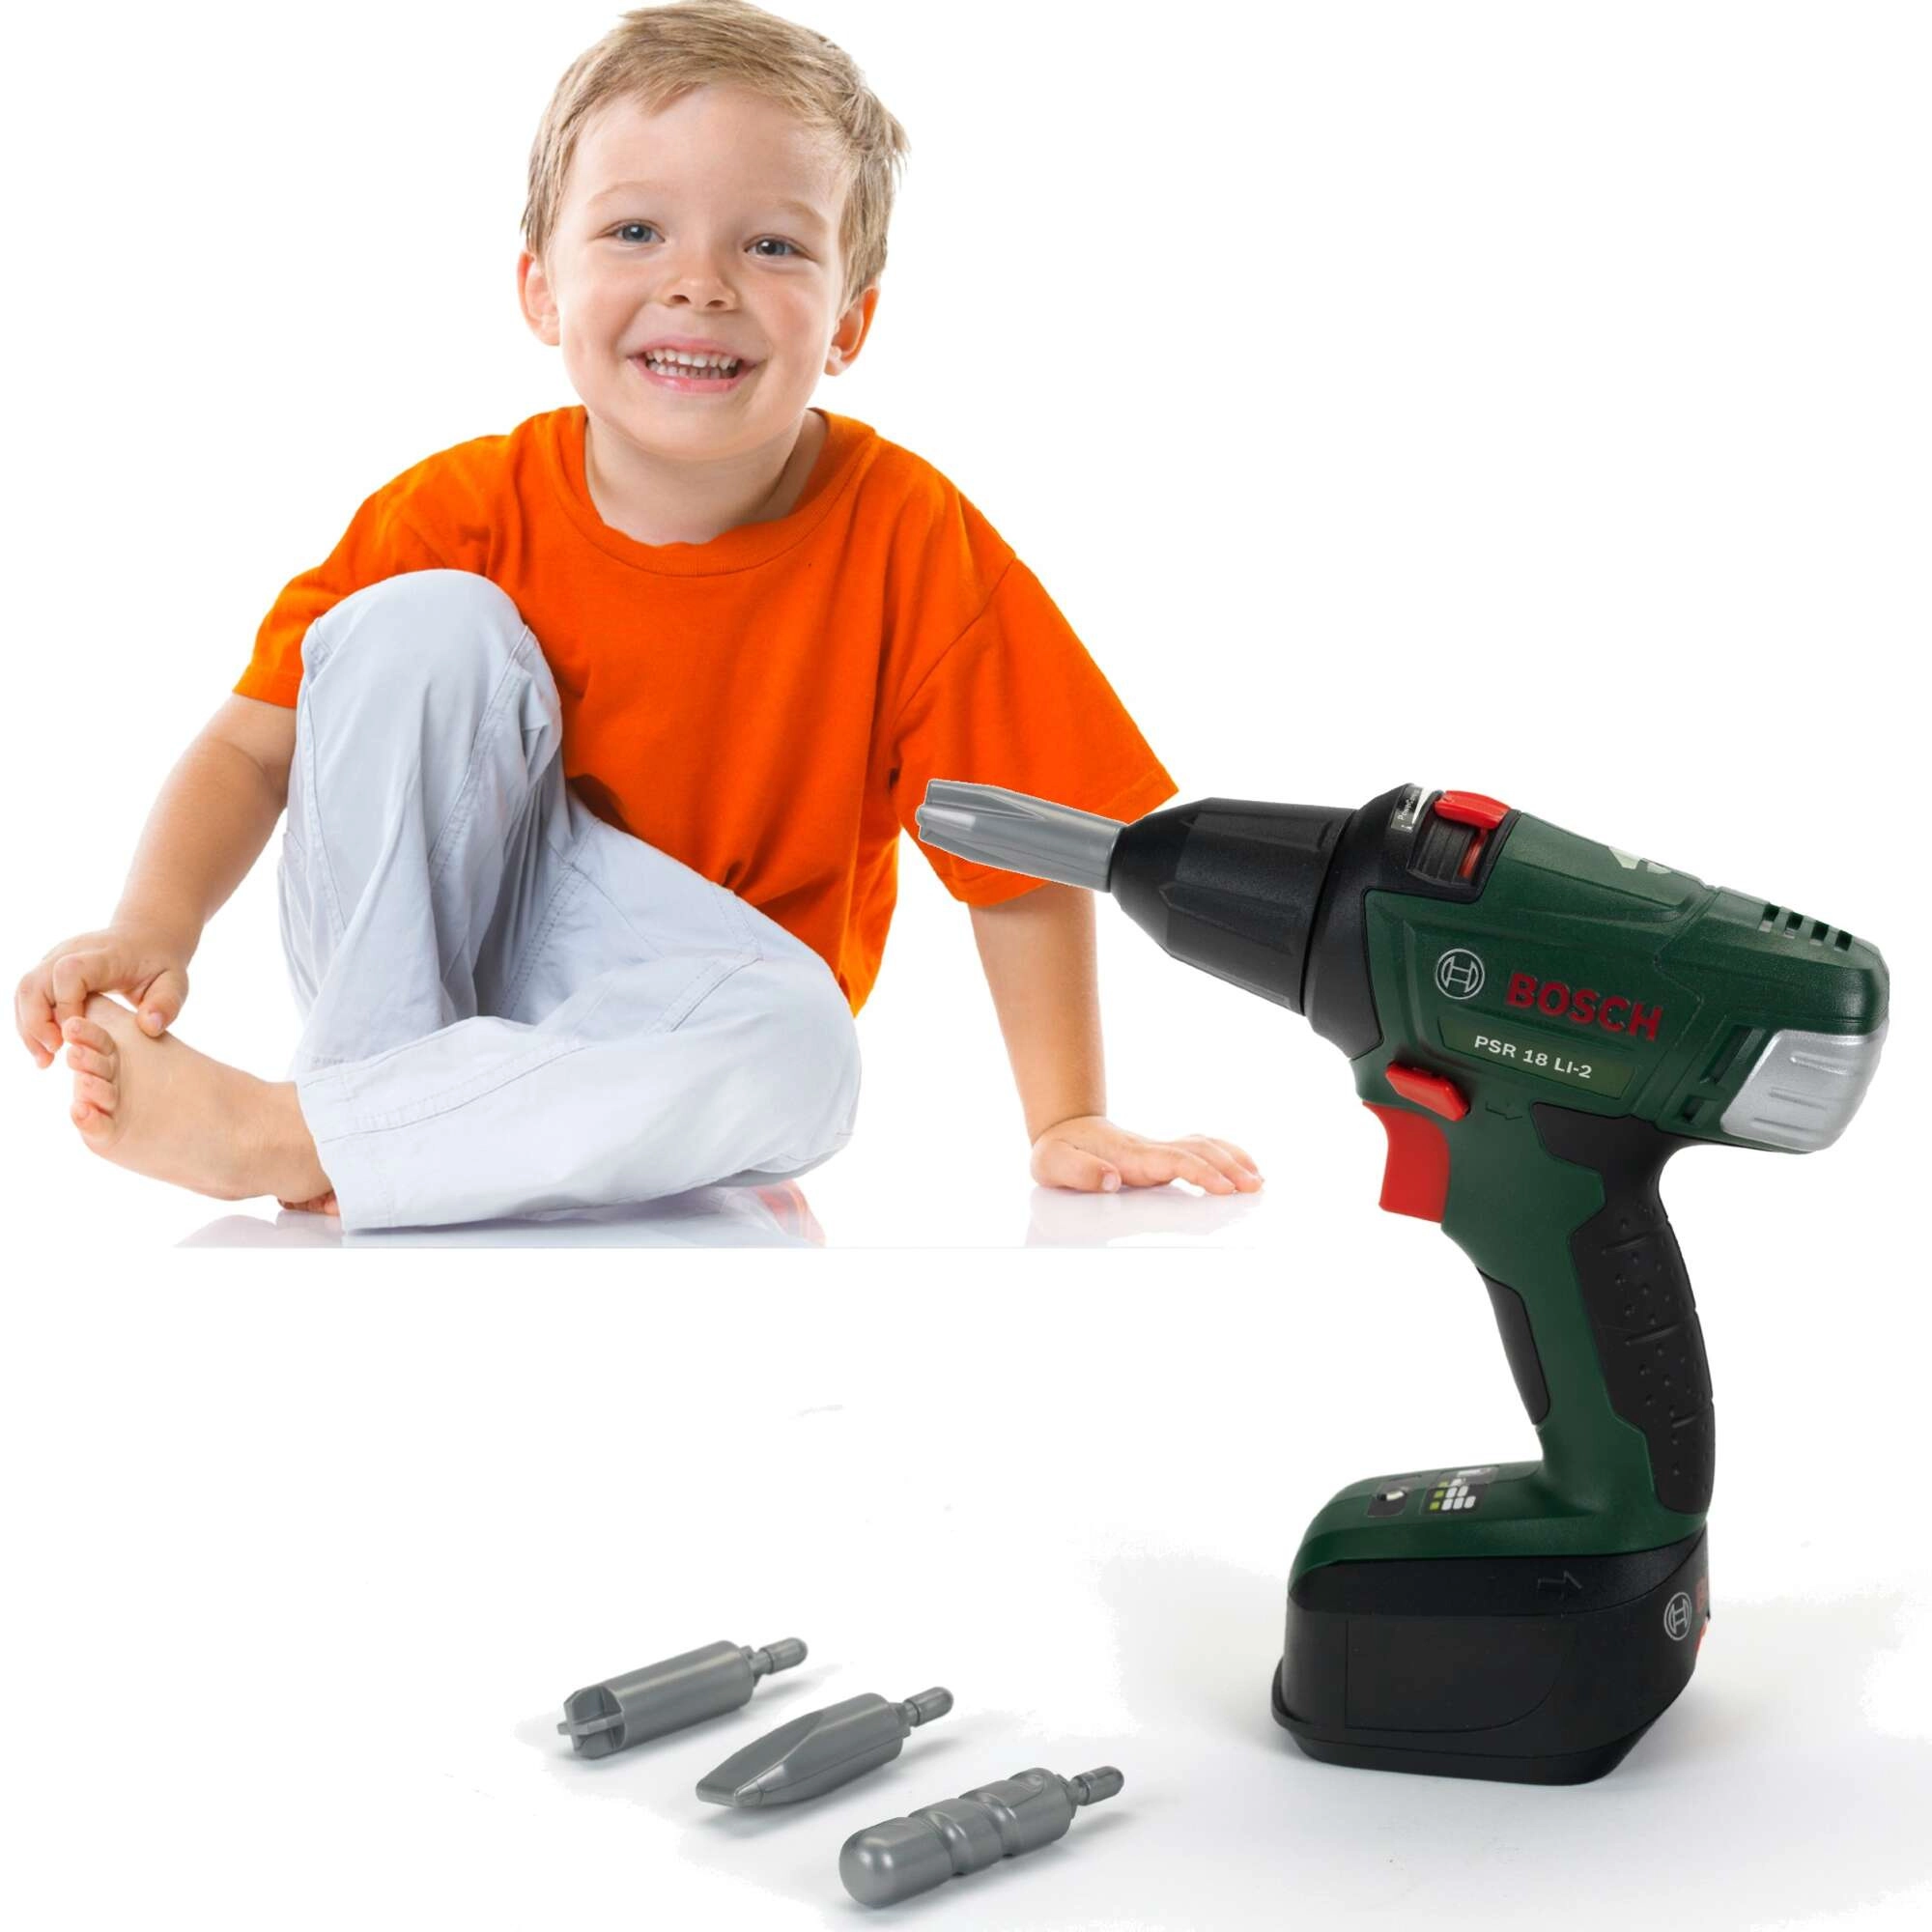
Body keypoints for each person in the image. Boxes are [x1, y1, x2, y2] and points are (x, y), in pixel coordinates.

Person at [14, 0, 1263, 1232]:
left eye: (771, 246)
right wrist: (151, 926)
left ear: (850, 320)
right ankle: (376, 1109)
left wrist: (1066, 1115)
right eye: (635, 231)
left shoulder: (909, 536)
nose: (700, 284)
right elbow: (253, 750)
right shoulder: (456, 511)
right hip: (432, 950)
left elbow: (1019, 850)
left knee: (809, 1048)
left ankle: (317, 1138)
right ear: (541, 292)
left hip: (685, 1004)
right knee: (423, 626)